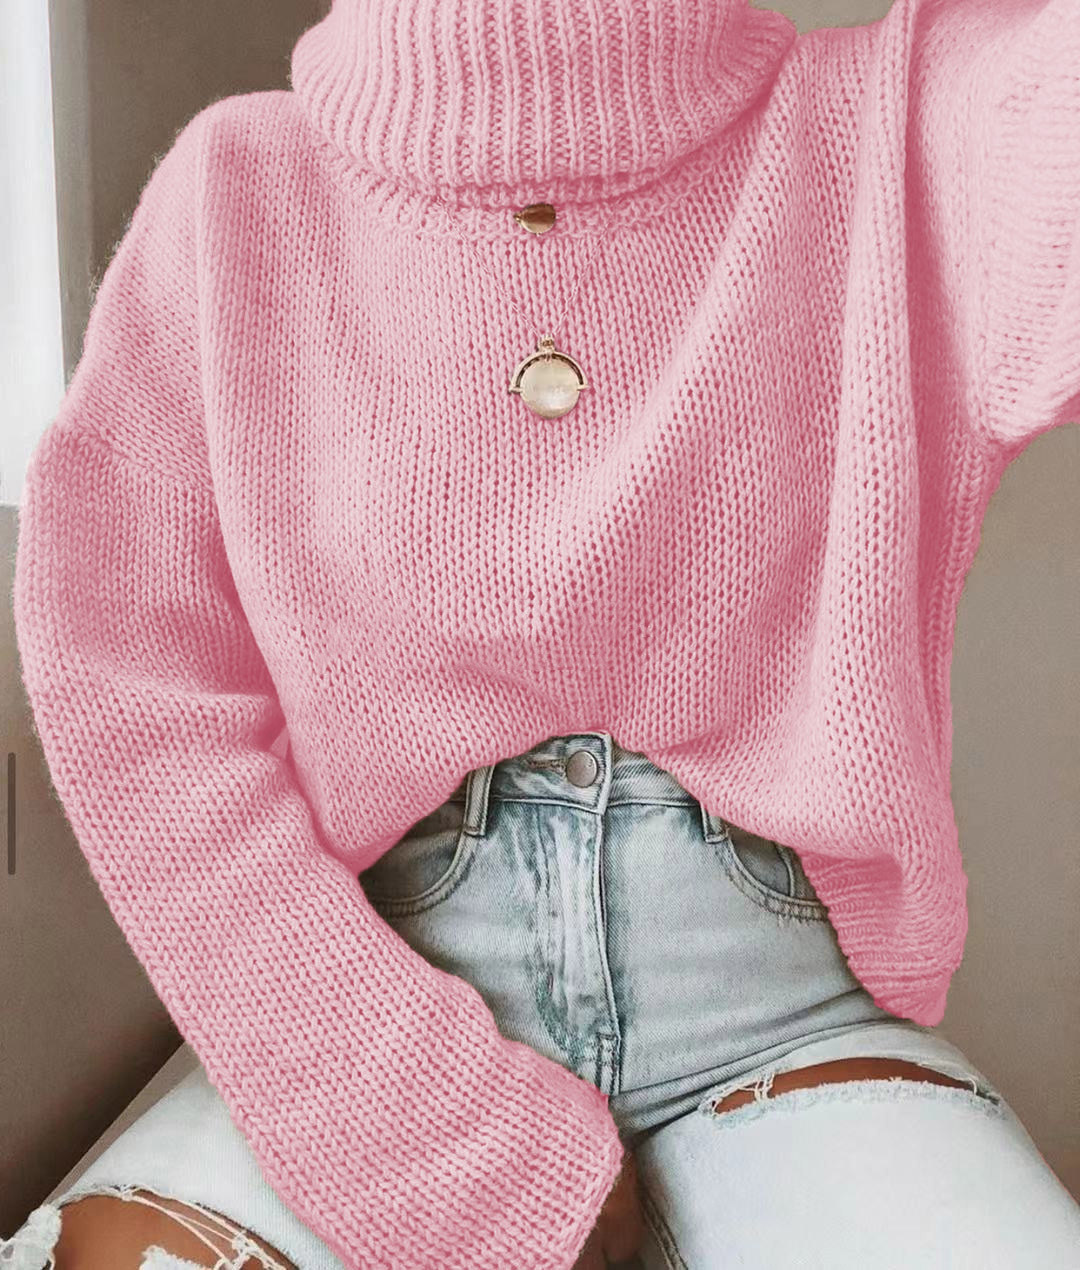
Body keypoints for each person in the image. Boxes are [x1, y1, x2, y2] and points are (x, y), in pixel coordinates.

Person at [5, 0, 1080, 1266]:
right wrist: (423, 1132)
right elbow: (135, 697)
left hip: (777, 1023)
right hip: (366, 1017)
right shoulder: (238, 188)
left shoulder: (901, 124)